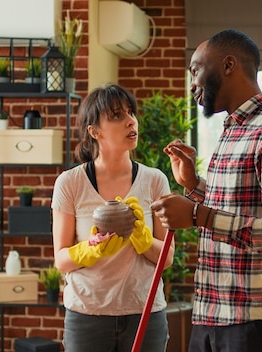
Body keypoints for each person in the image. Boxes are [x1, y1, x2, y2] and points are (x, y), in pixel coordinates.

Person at [150, 29, 262, 352]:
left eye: (195, 69)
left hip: (253, 320)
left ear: (228, 65)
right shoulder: (234, 130)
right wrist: (194, 185)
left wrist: (196, 214)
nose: (192, 82)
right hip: (213, 312)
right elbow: (238, 207)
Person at [51, 84, 174, 352]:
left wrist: (142, 238)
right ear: (94, 131)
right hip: (87, 316)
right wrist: (90, 249)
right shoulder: (70, 183)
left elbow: (167, 258)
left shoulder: (155, 181)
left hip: (145, 313)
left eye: (131, 113)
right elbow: (60, 259)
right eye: (117, 115)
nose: (131, 121)